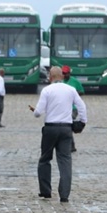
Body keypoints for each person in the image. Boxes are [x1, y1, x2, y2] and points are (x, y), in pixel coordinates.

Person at [28, 66, 87, 203]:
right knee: (65, 161)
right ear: (61, 76)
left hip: (50, 128)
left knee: (45, 159)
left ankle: (46, 191)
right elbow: (81, 106)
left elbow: (38, 113)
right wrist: (82, 122)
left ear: (50, 76)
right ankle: (64, 194)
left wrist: (35, 110)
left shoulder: (47, 90)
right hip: (66, 128)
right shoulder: (71, 90)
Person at [62, 65, 84, 152]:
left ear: (69, 73)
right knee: (65, 127)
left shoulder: (75, 81)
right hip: (63, 108)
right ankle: (68, 145)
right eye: (62, 73)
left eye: (65, 73)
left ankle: (71, 146)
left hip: (73, 108)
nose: (64, 75)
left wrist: (73, 94)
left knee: (67, 125)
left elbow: (82, 91)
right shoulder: (59, 81)